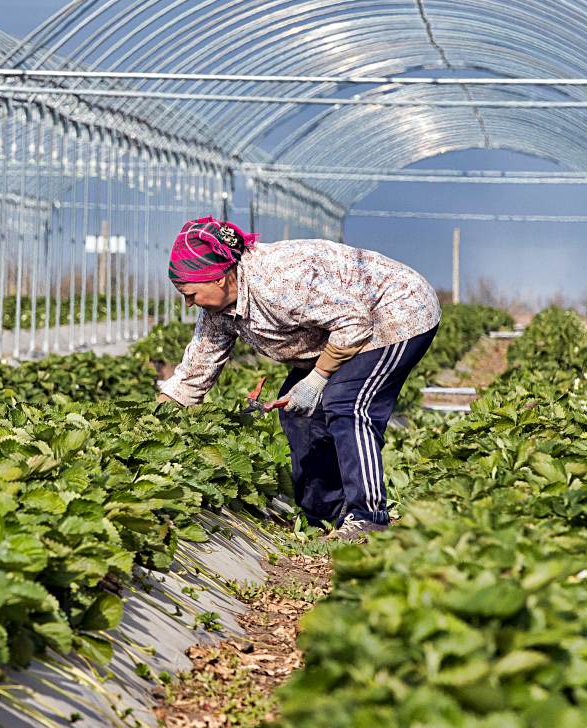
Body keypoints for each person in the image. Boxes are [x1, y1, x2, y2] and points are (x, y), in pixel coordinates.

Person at [154, 216, 439, 540]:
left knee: (347, 404)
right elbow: (193, 374)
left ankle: (368, 517)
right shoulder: (218, 313)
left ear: (218, 279)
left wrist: (317, 380)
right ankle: (326, 518)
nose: (188, 302)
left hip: (392, 315)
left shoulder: (277, 282)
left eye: (190, 292)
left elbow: (355, 324)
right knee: (298, 413)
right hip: (335, 332)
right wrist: (153, 425)